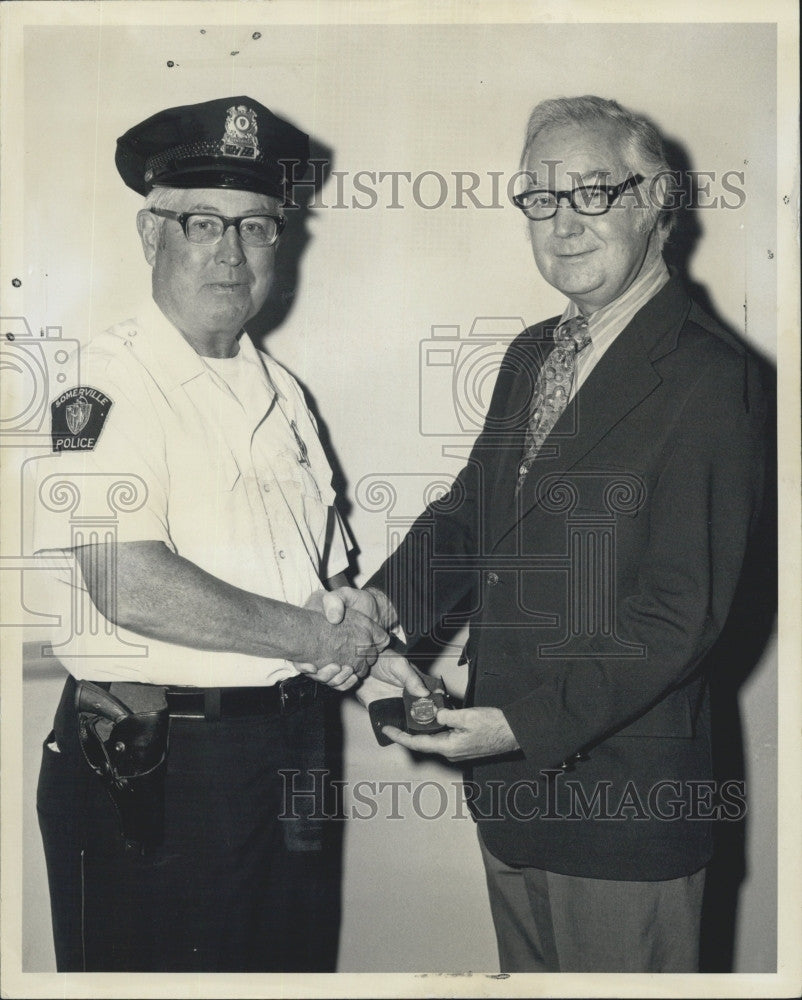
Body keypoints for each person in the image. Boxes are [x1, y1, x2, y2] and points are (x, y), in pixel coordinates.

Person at [322, 95, 767, 972]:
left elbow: (679, 617)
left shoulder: (713, 378)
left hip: (622, 810)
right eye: (539, 199)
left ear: (655, 200)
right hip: (513, 795)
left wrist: (518, 726)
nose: (563, 225)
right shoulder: (533, 352)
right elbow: (469, 514)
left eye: (592, 193)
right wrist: (379, 606)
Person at [28, 95, 418, 973]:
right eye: (203, 221)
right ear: (149, 234)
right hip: (156, 766)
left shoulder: (284, 395)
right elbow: (129, 581)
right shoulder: (96, 386)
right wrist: (322, 637)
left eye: (259, 227)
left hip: (289, 756)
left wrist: (373, 651)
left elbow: (315, 586)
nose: (232, 253)